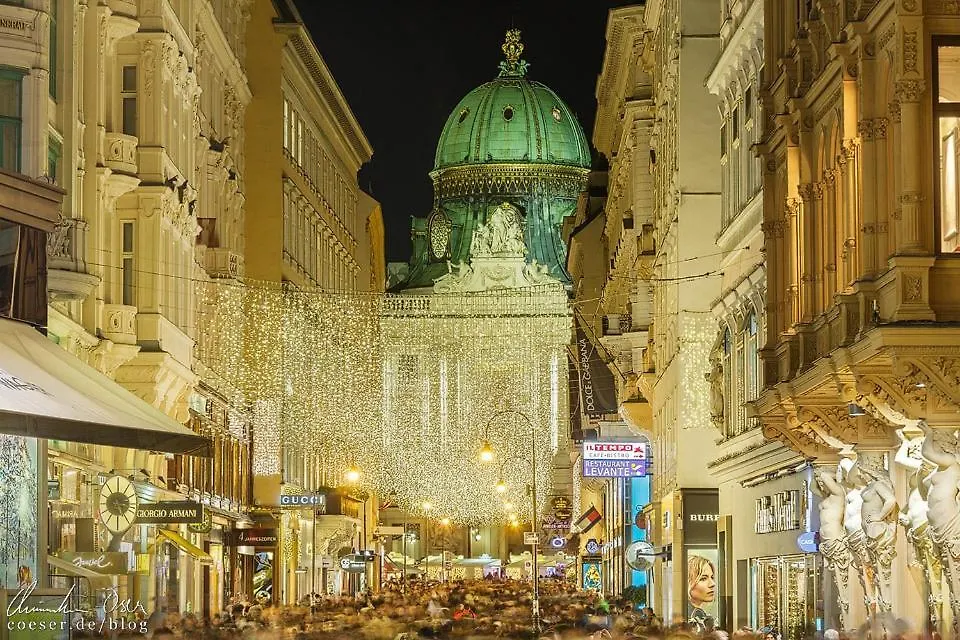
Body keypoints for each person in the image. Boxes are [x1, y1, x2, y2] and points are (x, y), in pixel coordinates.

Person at [687, 554, 717, 622]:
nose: (712, 584)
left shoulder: (699, 615)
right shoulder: (689, 618)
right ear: (688, 582)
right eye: (703, 579)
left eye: (712, 577)